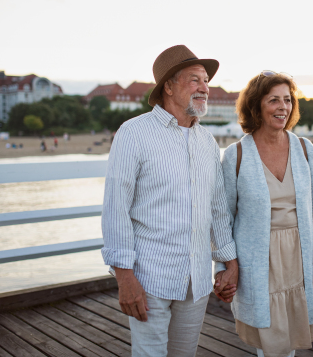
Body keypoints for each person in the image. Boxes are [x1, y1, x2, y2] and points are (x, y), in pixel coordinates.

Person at [101, 45, 239, 357]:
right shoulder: (133, 133)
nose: (205, 87)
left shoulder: (207, 141)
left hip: (197, 279)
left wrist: (229, 263)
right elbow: (115, 209)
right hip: (150, 278)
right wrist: (124, 277)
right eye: (195, 80)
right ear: (168, 86)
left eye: (205, 80)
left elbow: (216, 209)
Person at [217, 71, 313, 357]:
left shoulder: (305, 150)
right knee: (270, 342)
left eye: (288, 100)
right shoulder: (236, 155)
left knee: (288, 338)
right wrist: (222, 269)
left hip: (298, 257)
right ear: (256, 106)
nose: (283, 107)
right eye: (274, 100)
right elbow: (223, 219)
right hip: (257, 260)